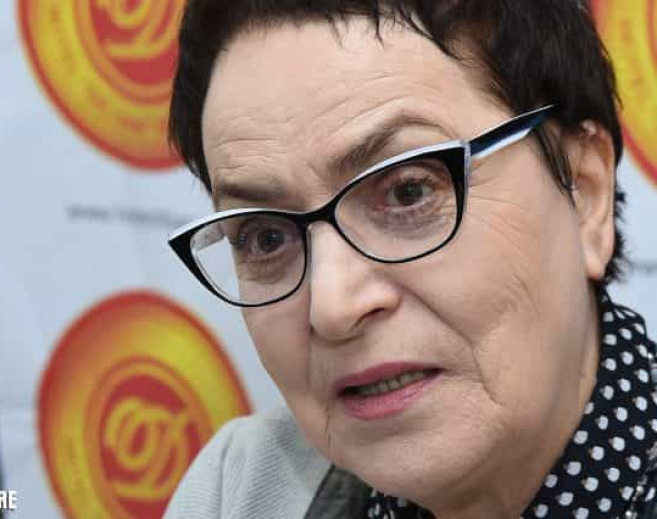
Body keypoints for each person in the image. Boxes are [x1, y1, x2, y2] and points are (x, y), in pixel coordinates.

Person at [164, 1, 657, 517]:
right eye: (265, 237)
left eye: (409, 192)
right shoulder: (242, 490)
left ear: (584, 192)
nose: (332, 307)